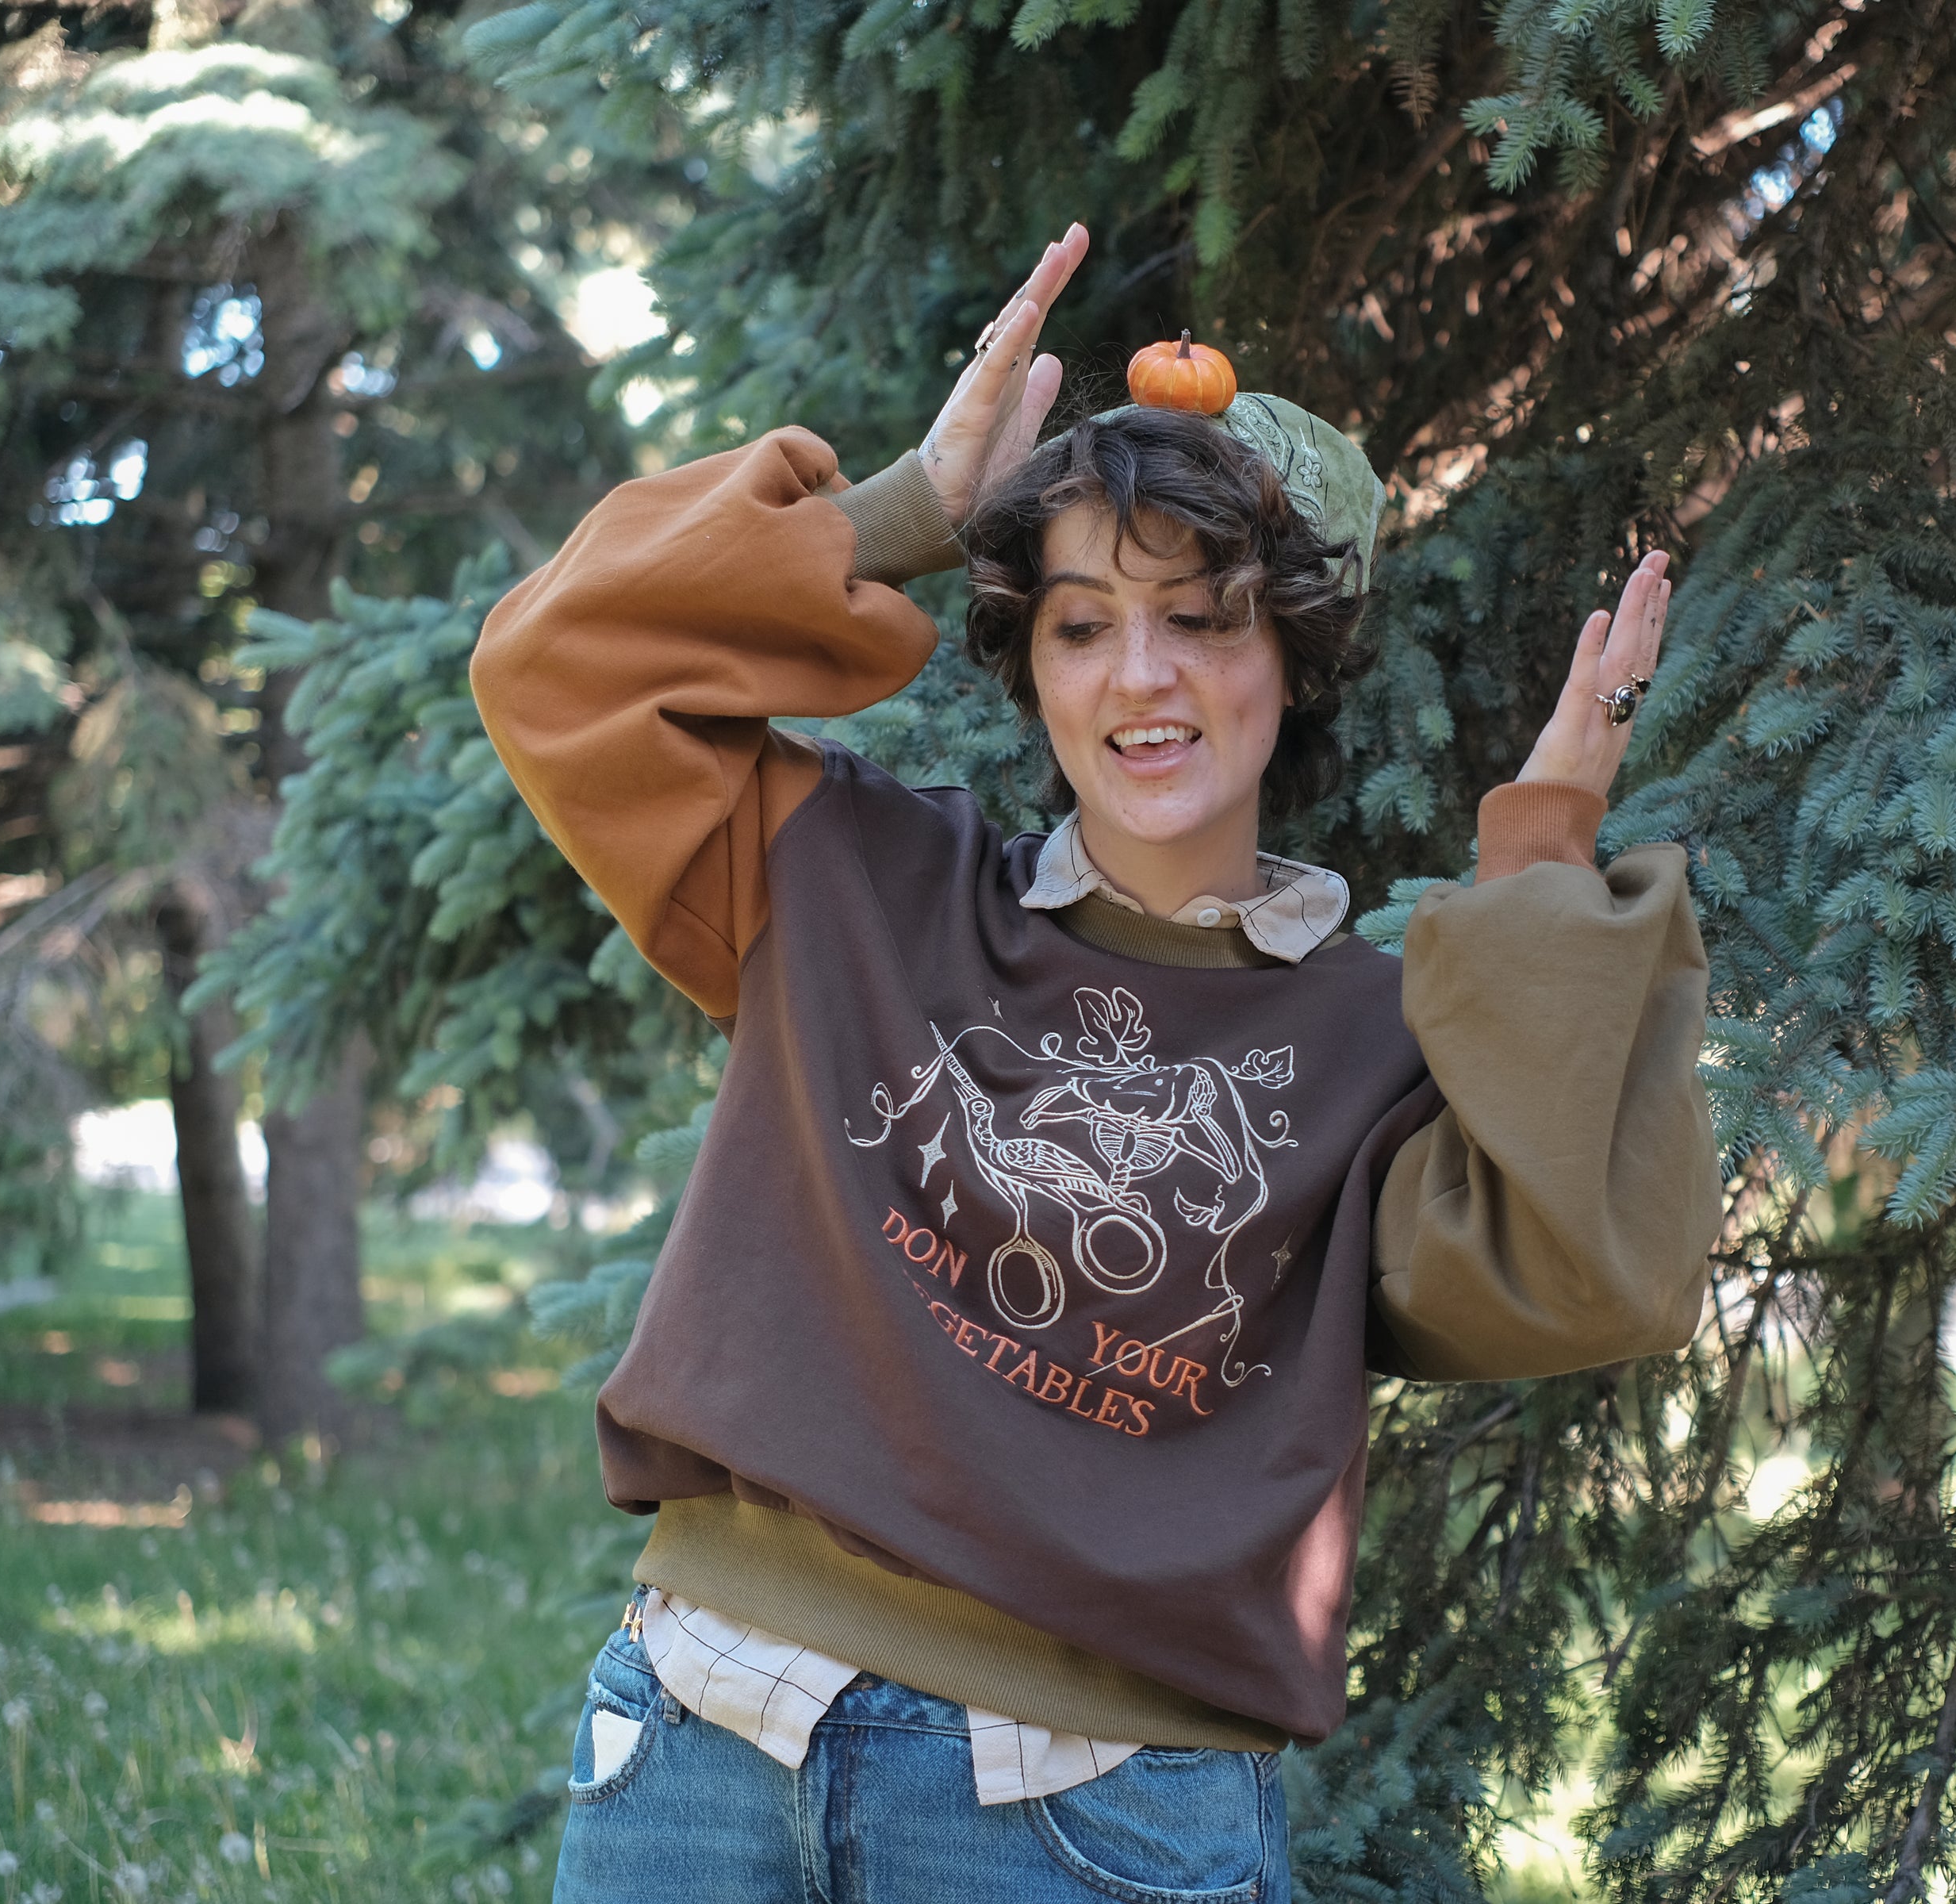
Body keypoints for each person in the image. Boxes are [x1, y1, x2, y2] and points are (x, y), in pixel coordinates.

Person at [471, 224, 1719, 1903]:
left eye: (1202, 621)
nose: (1142, 677)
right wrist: (908, 504)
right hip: (699, 1740)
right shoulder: (842, 880)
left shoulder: (1364, 1044)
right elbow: (559, 668)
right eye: (1081, 624)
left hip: (1087, 1818)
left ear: (1290, 658)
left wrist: (1549, 844)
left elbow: (1593, 1274)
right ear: (1033, 666)